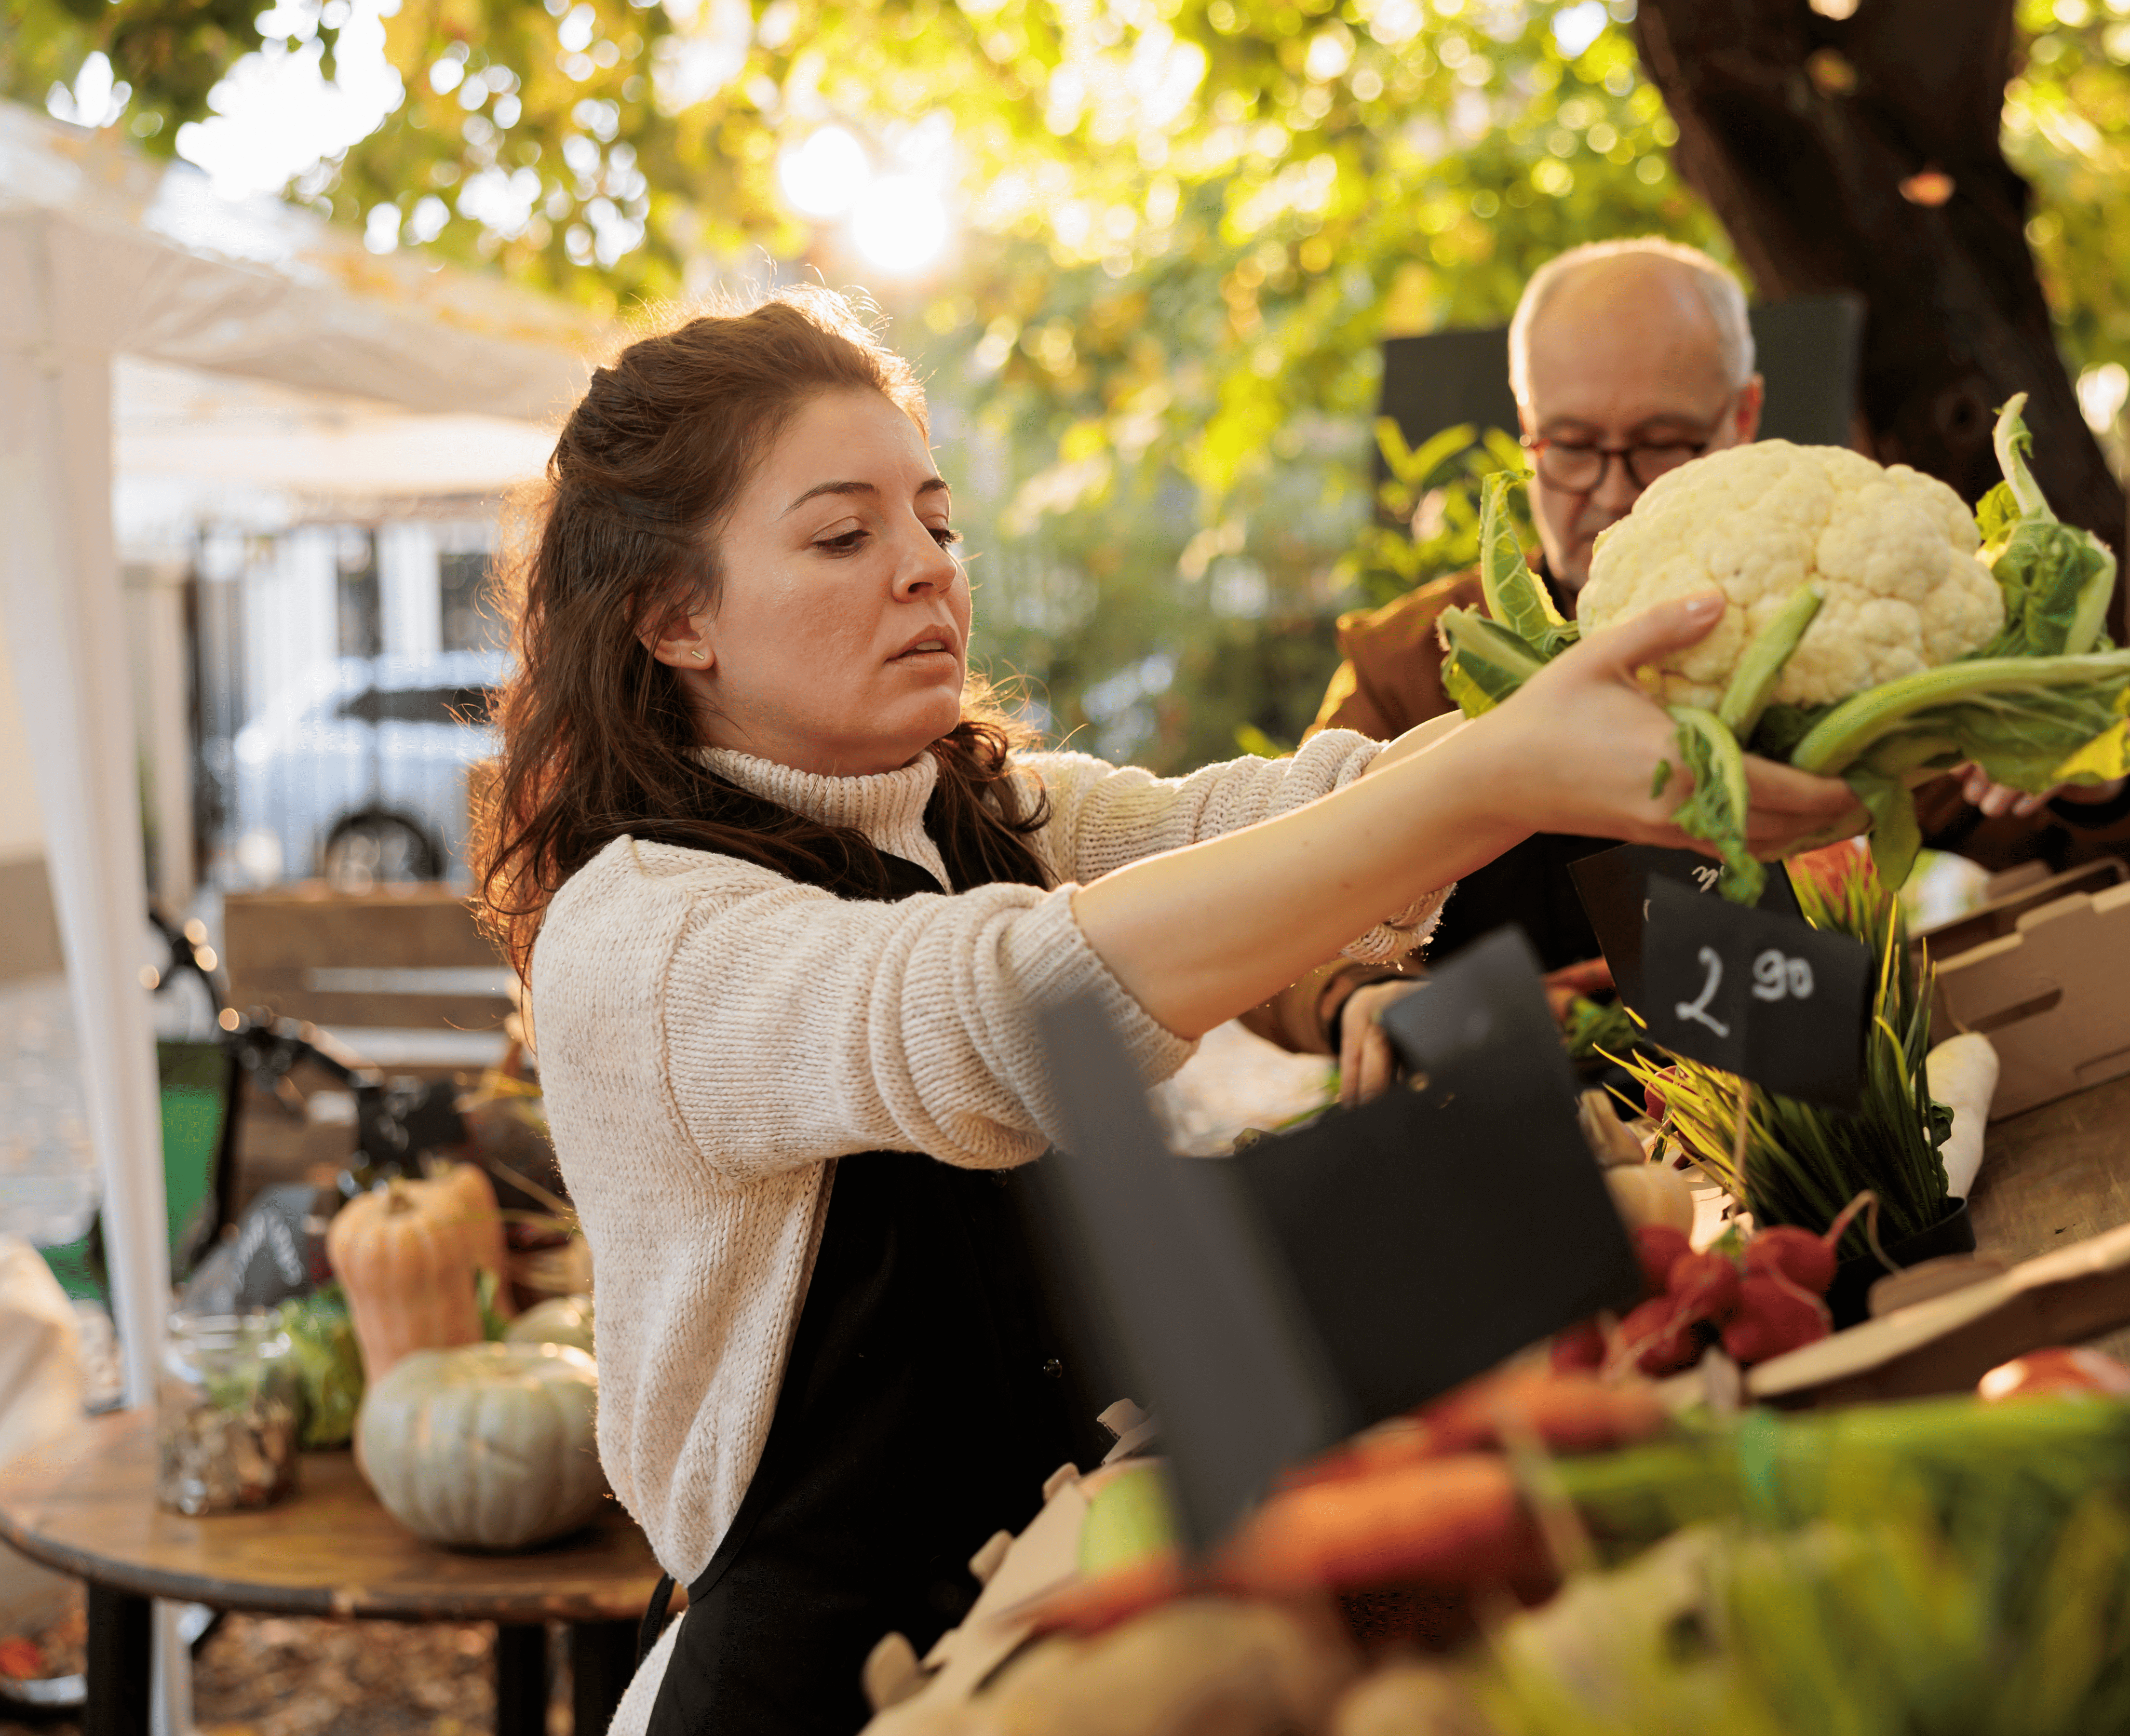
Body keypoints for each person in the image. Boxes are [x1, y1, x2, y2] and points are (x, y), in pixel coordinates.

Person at [471, 289, 1824, 1735]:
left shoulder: (980, 809)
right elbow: (995, 1015)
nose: (926, 569)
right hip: (816, 1687)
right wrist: (1501, 778)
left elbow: (1264, 815)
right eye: (843, 535)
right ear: (674, 617)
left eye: (935, 519)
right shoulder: (645, 937)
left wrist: (1592, 725)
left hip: (1063, 1629)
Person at [1253, 239, 2130, 1097]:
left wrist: (2096, 775)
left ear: (1741, 416)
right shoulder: (1411, 665)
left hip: (1801, 1140)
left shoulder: (1828, 646)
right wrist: (1350, 1001)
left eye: (1656, 445)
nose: (1606, 493)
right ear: (1526, 426)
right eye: (1571, 446)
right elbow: (1264, 916)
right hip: (1515, 1140)